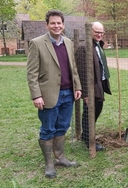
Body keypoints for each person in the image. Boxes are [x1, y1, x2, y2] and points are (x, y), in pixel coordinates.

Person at [27, 10, 82, 178]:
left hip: (68, 94)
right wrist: (36, 95)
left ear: (63, 25)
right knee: (47, 129)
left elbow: (72, 67)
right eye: (53, 23)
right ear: (47, 25)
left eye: (59, 23)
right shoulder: (37, 43)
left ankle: (60, 157)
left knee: (63, 127)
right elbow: (31, 73)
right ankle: (49, 164)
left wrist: (77, 86)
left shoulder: (68, 42)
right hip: (48, 95)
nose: (56, 26)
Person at [75, 22, 112, 152]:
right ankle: (89, 139)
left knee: (97, 110)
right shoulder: (83, 48)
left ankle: (88, 135)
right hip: (90, 88)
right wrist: (85, 94)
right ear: (90, 31)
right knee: (89, 113)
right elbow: (81, 72)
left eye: (101, 32)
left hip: (99, 84)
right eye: (97, 32)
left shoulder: (98, 45)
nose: (99, 34)